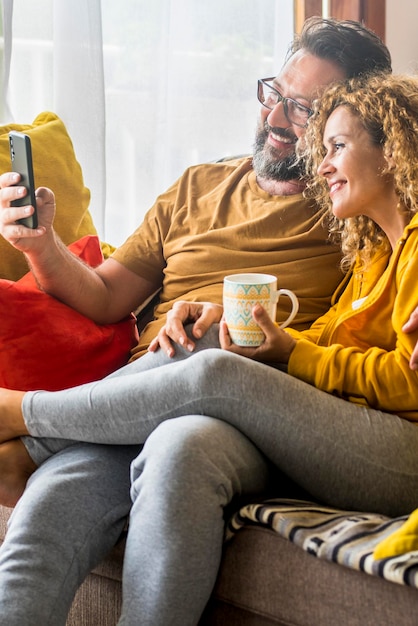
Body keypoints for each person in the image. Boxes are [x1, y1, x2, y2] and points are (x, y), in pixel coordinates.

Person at [0, 18, 394, 626]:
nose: (278, 120)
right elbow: (106, 298)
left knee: (199, 397)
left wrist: (242, 329)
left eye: (305, 111)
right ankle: (55, 438)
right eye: (275, 94)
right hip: (136, 400)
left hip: (243, 409)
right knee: (46, 516)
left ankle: (32, 425)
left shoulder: (353, 204)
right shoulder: (197, 185)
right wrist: (40, 245)